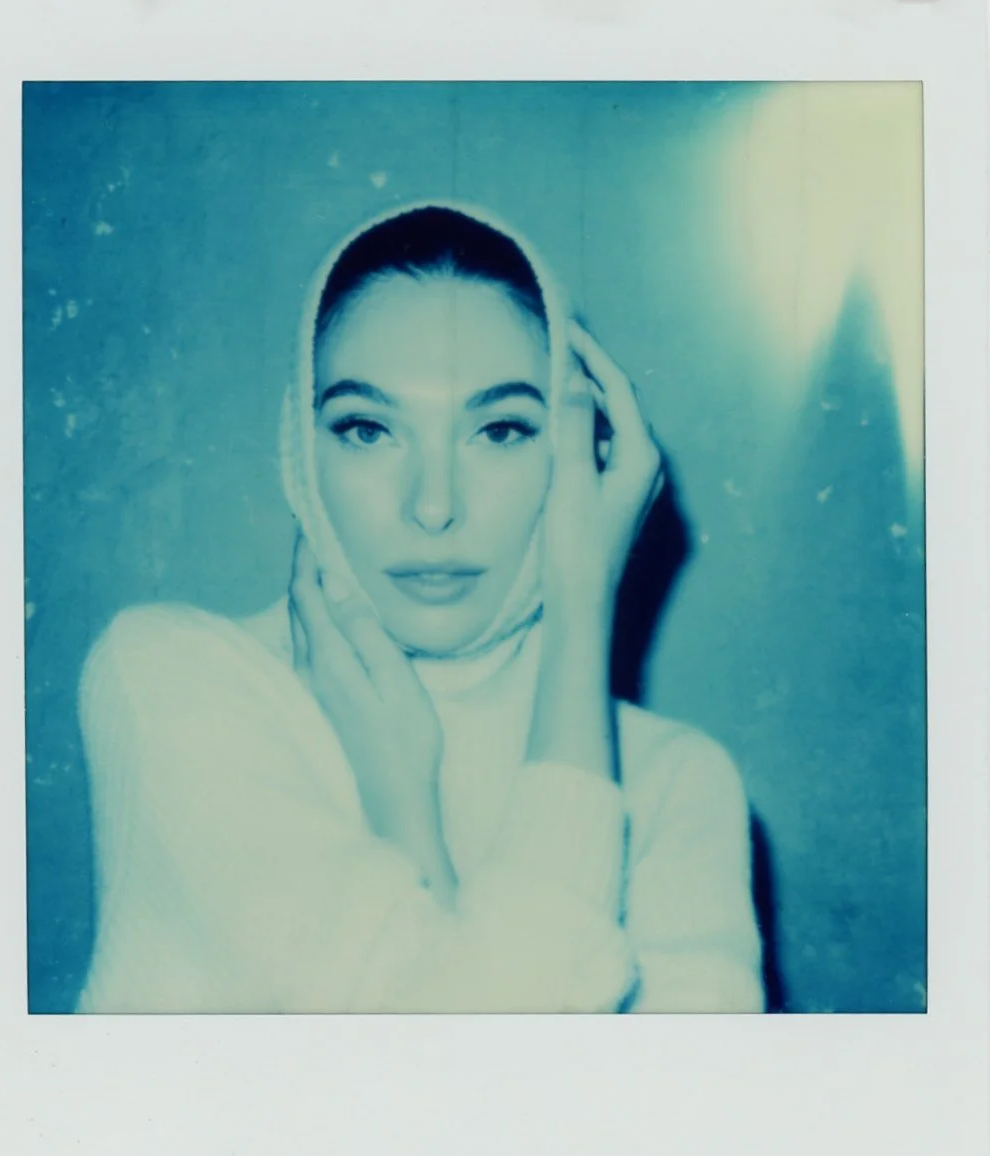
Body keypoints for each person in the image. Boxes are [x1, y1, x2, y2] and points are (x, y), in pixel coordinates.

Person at [76, 201, 764, 1013]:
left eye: (501, 431)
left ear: (583, 456)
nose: (433, 506)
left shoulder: (673, 784)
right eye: (368, 429)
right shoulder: (179, 681)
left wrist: (408, 814)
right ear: (302, 448)